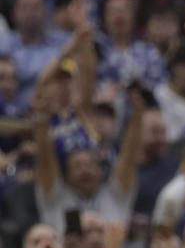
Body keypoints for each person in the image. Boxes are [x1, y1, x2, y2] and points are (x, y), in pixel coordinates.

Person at [33, 81, 144, 238]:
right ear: (65, 176)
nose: (85, 170)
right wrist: (42, 116)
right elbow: (45, 159)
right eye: (77, 166)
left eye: (91, 165)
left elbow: (130, 156)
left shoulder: (115, 195)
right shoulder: (54, 197)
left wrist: (138, 114)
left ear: (101, 170)